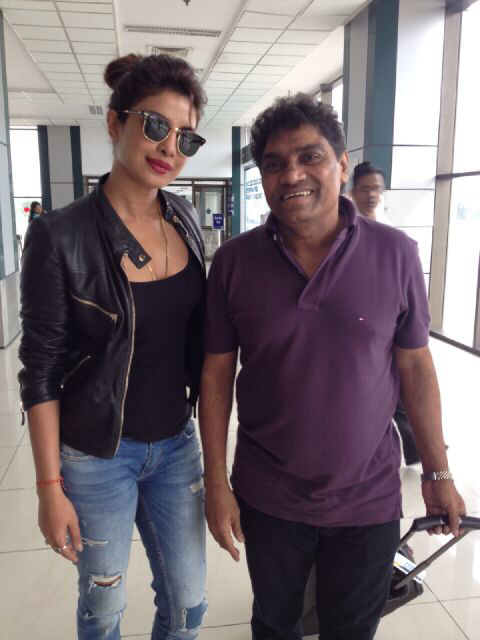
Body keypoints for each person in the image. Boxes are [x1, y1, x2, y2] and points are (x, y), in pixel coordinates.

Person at [199, 93, 465, 640]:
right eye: (274, 163)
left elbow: (415, 367)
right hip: (268, 494)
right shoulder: (233, 262)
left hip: (367, 495)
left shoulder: (396, 253)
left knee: (352, 627)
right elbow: (216, 376)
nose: (291, 173)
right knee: (275, 623)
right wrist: (216, 482)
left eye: (310, 156)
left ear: (342, 165)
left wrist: (438, 473)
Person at [19, 53, 208, 640]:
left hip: (177, 443)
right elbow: (41, 369)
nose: (168, 148)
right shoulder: (60, 234)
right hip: (97, 453)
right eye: (155, 125)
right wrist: (50, 489)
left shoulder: (185, 219)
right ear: (113, 123)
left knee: (190, 603)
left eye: (185, 137)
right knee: (104, 606)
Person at [351, 161, 420, 464]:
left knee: (398, 390)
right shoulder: (343, 233)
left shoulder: (394, 237)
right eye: (365, 188)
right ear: (352, 191)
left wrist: (439, 473)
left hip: (388, 329)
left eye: (377, 188)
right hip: (357, 331)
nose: (372, 194)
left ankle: (417, 445)